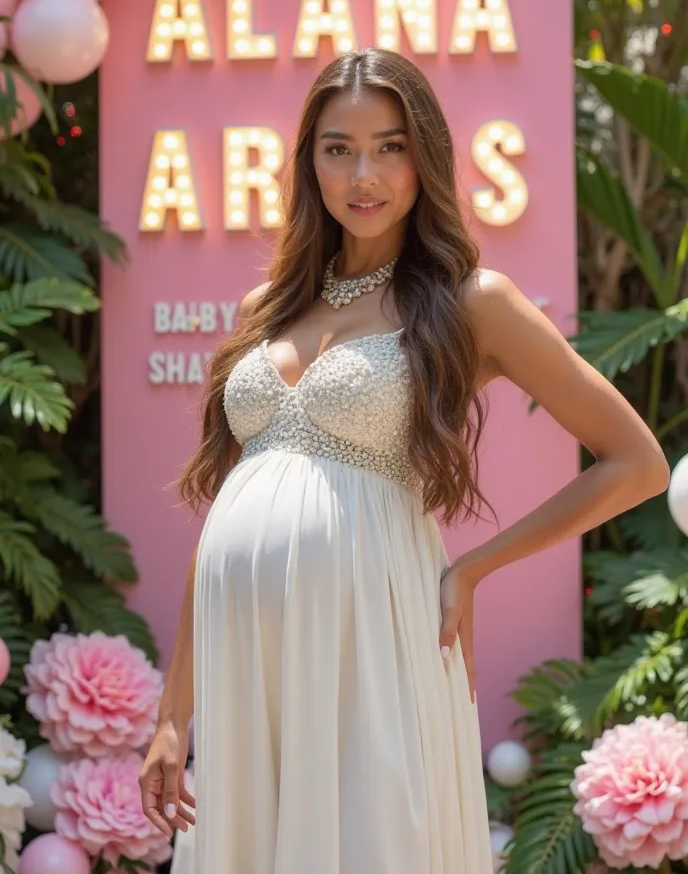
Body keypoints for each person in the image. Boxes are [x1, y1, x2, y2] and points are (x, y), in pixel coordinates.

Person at [138, 48, 669, 873]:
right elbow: (227, 515)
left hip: (372, 639)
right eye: (338, 147)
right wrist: (175, 712)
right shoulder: (263, 310)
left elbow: (635, 462)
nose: (364, 173)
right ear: (308, 159)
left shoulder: (469, 301)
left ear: (426, 156)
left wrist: (476, 569)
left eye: (391, 146)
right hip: (247, 659)